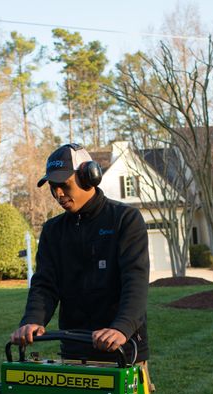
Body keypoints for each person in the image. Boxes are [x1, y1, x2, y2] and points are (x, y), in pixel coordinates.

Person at [11, 143, 149, 365]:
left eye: (64, 185)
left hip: (123, 350)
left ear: (89, 177)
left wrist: (121, 328)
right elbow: (45, 284)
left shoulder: (125, 219)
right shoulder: (52, 231)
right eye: (53, 187)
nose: (58, 193)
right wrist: (32, 321)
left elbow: (136, 281)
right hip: (74, 350)